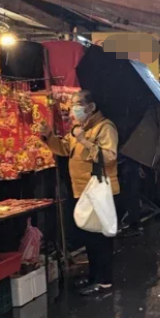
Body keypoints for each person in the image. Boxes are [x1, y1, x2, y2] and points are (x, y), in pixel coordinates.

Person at [41, 90, 118, 296]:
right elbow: (65, 149)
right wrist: (48, 135)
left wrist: (85, 140)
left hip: (100, 192)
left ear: (91, 107)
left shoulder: (105, 127)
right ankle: (94, 276)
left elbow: (109, 156)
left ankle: (105, 282)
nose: (73, 109)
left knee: (101, 239)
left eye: (77, 104)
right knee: (89, 237)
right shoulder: (79, 129)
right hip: (83, 192)